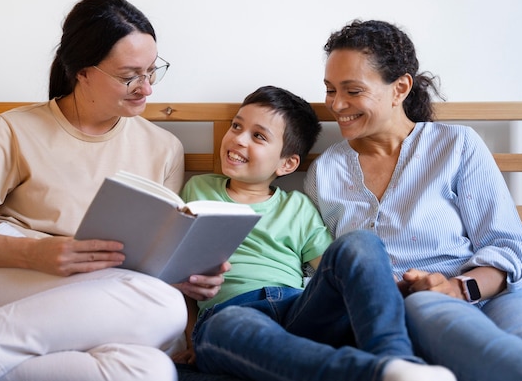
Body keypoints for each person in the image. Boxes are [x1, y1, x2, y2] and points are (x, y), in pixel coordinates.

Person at [0, 0, 227, 381]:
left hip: (89, 302)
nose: (146, 89)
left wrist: (188, 278)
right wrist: (36, 253)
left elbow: (144, 267)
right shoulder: (15, 130)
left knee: (153, 370)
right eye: (129, 76)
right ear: (81, 70)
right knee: (164, 307)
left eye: (151, 71)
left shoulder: (163, 148)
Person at [304, 19, 522, 381]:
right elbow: (323, 266)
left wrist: (460, 288)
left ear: (400, 88)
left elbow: (506, 247)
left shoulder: (457, 144)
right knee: (500, 359)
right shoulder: (327, 171)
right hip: (419, 305)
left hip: (497, 294)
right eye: (330, 89)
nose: (336, 104)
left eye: (352, 90)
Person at [174, 85, 456, 381]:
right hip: (231, 312)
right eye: (236, 126)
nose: (237, 139)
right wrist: (192, 337)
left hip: (297, 307)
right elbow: (181, 274)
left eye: (258, 136)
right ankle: (379, 372)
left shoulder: (298, 206)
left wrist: (387, 285)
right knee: (225, 326)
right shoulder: (198, 189)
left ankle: (395, 357)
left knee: (359, 242)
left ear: (287, 163)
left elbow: (333, 270)